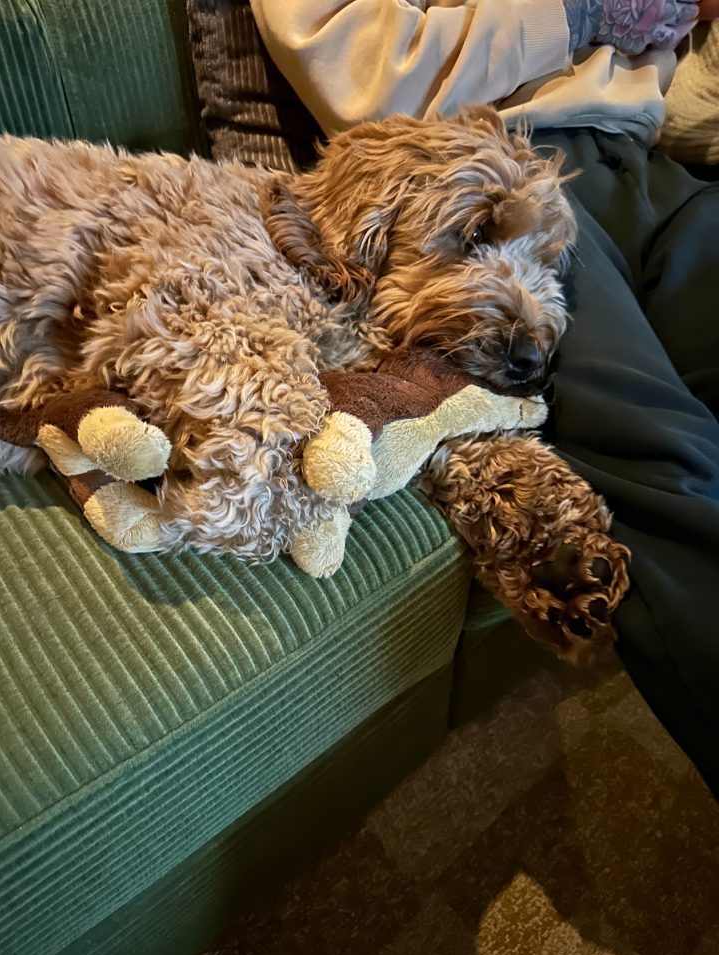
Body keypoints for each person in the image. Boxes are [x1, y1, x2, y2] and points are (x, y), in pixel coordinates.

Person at [251, 0, 719, 796]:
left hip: (650, 156)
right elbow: (350, 61)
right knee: (662, 455)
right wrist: (589, 11)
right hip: (498, 170)